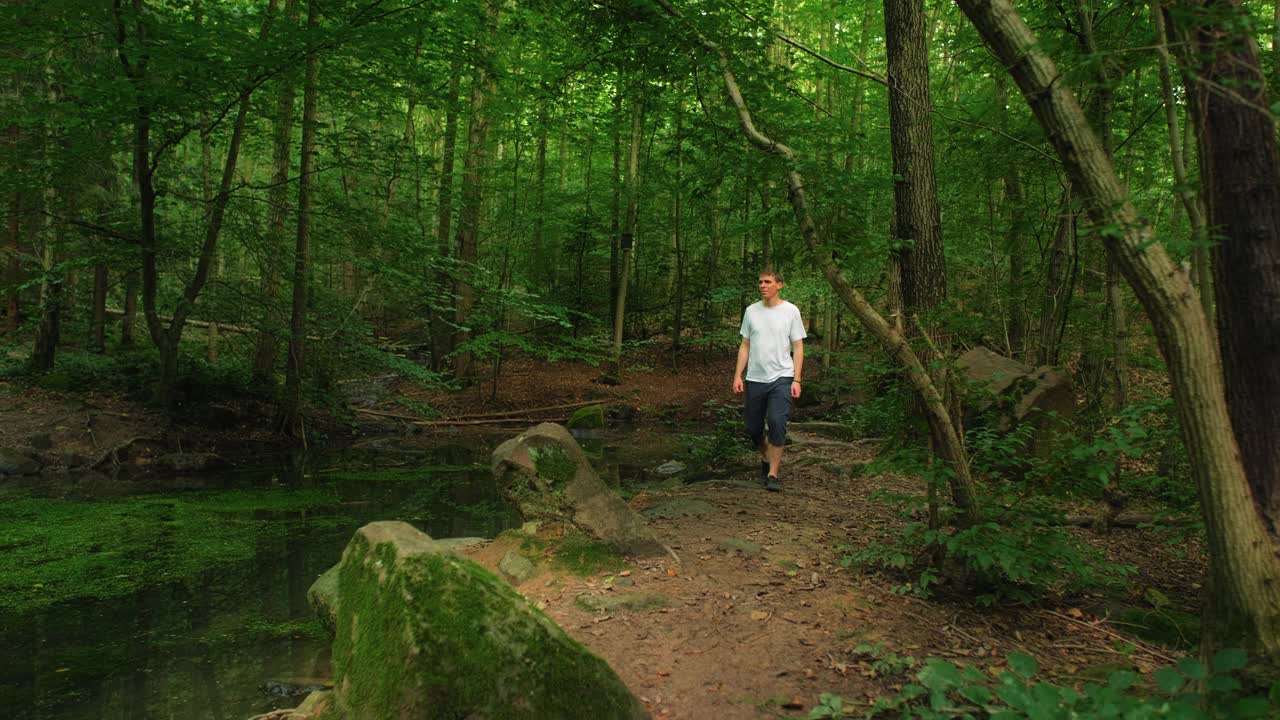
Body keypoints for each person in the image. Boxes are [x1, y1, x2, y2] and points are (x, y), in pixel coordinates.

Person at [732, 269, 805, 492]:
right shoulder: (751, 311)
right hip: (755, 378)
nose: (763, 285)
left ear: (779, 285)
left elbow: (798, 346)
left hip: (781, 377)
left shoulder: (790, 311)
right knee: (753, 428)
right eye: (760, 282)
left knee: (776, 422)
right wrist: (738, 375)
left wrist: (797, 379)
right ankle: (765, 456)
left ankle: (773, 474)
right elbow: (745, 344)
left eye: (767, 282)